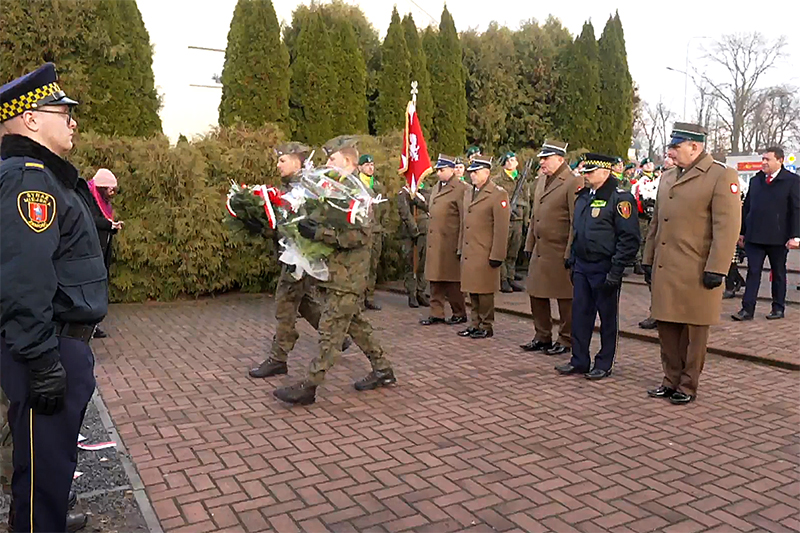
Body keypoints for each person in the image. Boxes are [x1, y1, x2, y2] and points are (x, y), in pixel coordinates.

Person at [1, 62, 102, 531]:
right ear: (32, 119)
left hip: (54, 344)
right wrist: (44, 363)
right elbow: (25, 278)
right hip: (49, 348)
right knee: (43, 479)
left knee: (44, 471)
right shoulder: (30, 179)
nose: (73, 120)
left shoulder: (43, 176)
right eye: (63, 111)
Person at [273, 136, 395, 405]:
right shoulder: (335, 190)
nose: (327, 163)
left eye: (332, 159)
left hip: (348, 276)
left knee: (330, 332)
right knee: (356, 325)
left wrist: (320, 233)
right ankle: (383, 369)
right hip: (336, 273)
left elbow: (359, 237)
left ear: (348, 161)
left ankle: (310, 386)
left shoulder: (358, 196)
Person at [643, 122, 740, 405]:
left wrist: (718, 268)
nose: (670, 152)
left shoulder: (720, 176)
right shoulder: (668, 177)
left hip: (697, 269)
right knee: (667, 329)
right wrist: (648, 259)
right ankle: (669, 379)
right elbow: (656, 224)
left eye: (676, 147)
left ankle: (688, 384)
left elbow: (727, 226)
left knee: (694, 333)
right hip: (666, 268)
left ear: (694, 147)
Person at [248, 143, 350, 379]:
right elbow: (283, 227)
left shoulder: (307, 188)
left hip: (301, 257)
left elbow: (305, 224)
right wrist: (261, 227)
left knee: (284, 304)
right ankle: (337, 338)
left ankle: (278, 358)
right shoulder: (288, 188)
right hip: (292, 254)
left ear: (297, 162)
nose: (278, 165)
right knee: (304, 302)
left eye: (282, 160)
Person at [555, 154, 639, 379]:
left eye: (591, 172)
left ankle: (604, 362)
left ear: (605, 172)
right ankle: (579, 359)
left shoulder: (620, 199)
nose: (586, 176)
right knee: (580, 315)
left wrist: (616, 269)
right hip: (582, 265)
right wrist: (572, 259)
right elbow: (577, 231)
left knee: (607, 317)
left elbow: (629, 238)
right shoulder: (583, 197)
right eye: (585, 172)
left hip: (605, 266)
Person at [521, 139, 583, 356]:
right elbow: (535, 215)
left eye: (546, 158)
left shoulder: (572, 182)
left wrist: (570, 252)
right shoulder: (542, 181)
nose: (542, 162)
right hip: (540, 250)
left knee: (565, 298)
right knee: (536, 294)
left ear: (560, 159)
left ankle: (566, 339)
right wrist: (529, 243)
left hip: (559, 251)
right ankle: (542, 335)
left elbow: (576, 221)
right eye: (541, 158)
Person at [732, 147, 800, 321]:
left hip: (779, 237)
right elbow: (747, 207)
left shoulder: (792, 181)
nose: (763, 163)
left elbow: (796, 210)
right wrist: (742, 232)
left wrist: (795, 236)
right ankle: (747, 309)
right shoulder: (756, 181)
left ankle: (778, 307)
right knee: (753, 272)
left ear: (780, 160)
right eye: (763, 159)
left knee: (778, 273)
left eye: (767, 159)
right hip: (754, 236)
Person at [458, 156, 511, 338]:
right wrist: (460, 248)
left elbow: (502, 227)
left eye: (476, 172)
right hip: (470, 250)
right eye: (471, 172)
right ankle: (474, 323)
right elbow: (464, 224)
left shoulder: (497, 194)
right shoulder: (469, 192)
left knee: (485, 291)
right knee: (472, 289)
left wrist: (498, 254)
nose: (472, 175)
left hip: (485, 250)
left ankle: (486, 325)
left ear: (487, 173)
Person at [420, 154, 469, 326]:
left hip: (450, 241)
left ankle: (459, 312)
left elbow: (465, 219)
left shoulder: (462, 189)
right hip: (435, 241)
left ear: (451, 170)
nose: (439, 173)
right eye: (438, 170)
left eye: (442, 170)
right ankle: (436, 313)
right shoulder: (436, 187)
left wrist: (462, 244)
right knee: (435, 279)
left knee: (452, 281)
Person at [80, 168, 123, 339]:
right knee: (90, 289)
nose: (112, 193)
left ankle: (94, 324)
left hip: (103, 250)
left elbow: (104, 222)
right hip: (91, 251)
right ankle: (88, 325)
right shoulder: (89, 200)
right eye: (110, 189)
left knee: (99, 288)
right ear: (101, 188)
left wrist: (112, 227)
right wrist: (109, 225)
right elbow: (91, 220)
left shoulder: (104, 203)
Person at [494, 151, 529, 293]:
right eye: (507, 160)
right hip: (505, 220)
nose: (510, 163)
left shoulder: (522, 180)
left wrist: (526, 220)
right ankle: (502, 280)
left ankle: (510, 277)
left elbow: (527, 201)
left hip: (518, 220)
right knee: (503, 251)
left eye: (513, 160)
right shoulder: (497, 180)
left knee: (513, 252)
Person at [397, 171, 431, 308]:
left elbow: (429, 206)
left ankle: (421, 291)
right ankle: (411, 293)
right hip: (409, 233)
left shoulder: (427, 191)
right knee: (410, 262)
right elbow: (404, 211)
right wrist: (413, 229)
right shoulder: (403, 192)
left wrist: (417, 198)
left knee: (424, 261)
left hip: (424, 231)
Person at [358, 154, 387, 311]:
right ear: (360, 167)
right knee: (361, 266)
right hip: (362, 231)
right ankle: (359, 299)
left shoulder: (378, 186)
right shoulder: (355, 184)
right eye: (367, 165)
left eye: (372, 164)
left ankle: (369, 297)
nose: (370, 167)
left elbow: (384, 209)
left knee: (372, 266)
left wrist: (382, 227)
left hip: (376, 231)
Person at [631, 157, 658, 275]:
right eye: (646, 164)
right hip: (641, 212)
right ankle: (637, 261)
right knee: (640, 237)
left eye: (651, 164)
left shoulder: (655, 179)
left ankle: (645, 260)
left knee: (649, 237)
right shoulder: (639, 179)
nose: (649, 165)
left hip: (651, 212)